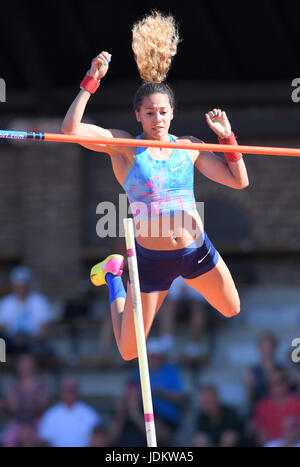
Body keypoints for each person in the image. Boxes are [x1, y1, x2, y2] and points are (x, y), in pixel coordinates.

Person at [61, 11, 249, 361]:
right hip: (151, 261)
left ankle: (122, 274)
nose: (157, 119)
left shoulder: (189, 146)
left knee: (232, 308)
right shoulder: (126, 148)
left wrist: (227, 139)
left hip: (196, 252)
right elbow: (70, 130)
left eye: (163, 112)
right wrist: (91, 81)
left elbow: (239, 182)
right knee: (129, 350)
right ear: (138, 115)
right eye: (149, 113)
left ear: (172, 113)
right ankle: (114, 274)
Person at [131, 337, 188, 446]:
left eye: (156, 357)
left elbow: (182, 398)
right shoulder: (138, 372)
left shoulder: (172, 372)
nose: (154, 359)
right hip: (145, 414)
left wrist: (162, 393)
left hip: (167, 417)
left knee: (157, 431)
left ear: (162, 357)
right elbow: (131, 391)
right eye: (151, 356)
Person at [0, 266, 53, 356]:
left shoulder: (39, 300)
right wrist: (14, 338)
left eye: (24, 286)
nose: (21, 289)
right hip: (10, 342)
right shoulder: (6, 302)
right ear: (13, 286)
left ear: (29, 285)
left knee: (25, 354)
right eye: (18, 286)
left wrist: (26, 340)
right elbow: (2, 327)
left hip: (32, 342)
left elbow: (43, 330)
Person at [38, 376, 101, 447]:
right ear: (61, 392)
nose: (69, 393)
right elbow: (44, 441)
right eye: (66, 389)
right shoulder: (50, 415)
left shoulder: (90, 414)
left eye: (72, 390)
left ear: (78, 391)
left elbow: (98, 441)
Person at [252, 366, 300, 446]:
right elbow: (261, 437)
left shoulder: (298, 402)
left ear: (287, 381)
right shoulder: (262, 406)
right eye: (272, 383)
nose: (277, 386)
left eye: (281, 381)